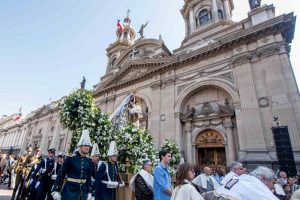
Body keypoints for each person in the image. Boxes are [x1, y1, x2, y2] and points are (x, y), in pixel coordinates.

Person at [51, 129, 94, 200]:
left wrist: (89, 191)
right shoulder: (71, 158)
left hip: (82, 193)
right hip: (69, 192)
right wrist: (55, 189)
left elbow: (88, 178)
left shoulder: (89, 161)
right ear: (80, 146)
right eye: (85, 145)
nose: (87, 147)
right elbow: (61, 174)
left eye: (89, 146)